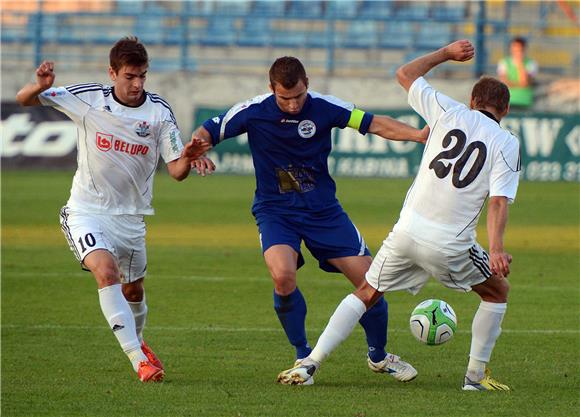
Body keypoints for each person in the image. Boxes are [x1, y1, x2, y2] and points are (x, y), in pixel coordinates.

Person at [278, 40, 521, 391]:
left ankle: (310, 363)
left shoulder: (447, 110)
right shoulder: (507, 142)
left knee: (366, 292)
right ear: (506, 110)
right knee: (497, 291)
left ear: (472, 101)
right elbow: (498, 201)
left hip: (407, 232)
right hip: (451, 242)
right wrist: (496, 249)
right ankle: (473, 378)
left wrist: (445, 54)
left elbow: (404, 73)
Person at [191, 56, 428, 383]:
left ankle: (378, 356)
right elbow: (207, 130)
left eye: (298, 96)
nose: (291, 104)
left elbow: (374, 123)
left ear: (307, 85)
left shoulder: (325, 107)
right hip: (276, 211)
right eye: (284, 98)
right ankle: (303, 356)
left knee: (372, 283)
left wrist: (418, 136)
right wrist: (198, 149)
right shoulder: (254, 111)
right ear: (271, 88)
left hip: (323, 212)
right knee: (283, 276)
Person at [15, 36, 210, 382]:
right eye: (130, 76)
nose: (137, 85)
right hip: (86, 210)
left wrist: (190, 157)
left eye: (143, 77)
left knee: (133, 291)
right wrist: (38, 86)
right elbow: (24, 100)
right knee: (107, 274)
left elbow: (176, 171)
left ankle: (139, 341)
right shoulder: (88, 98)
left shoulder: (159, 113)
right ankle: (139, 360)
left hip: (131, 218)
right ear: (113, 73)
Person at [497, 36, 538, 109]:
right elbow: (504, 83)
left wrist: (520, 64)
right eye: (515, 49)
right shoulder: (504, 62)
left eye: (519, 50)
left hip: (525, 101)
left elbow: (525, 82)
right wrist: (519, 85)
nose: (516, 52)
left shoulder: (531, 63)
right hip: (507, 102)